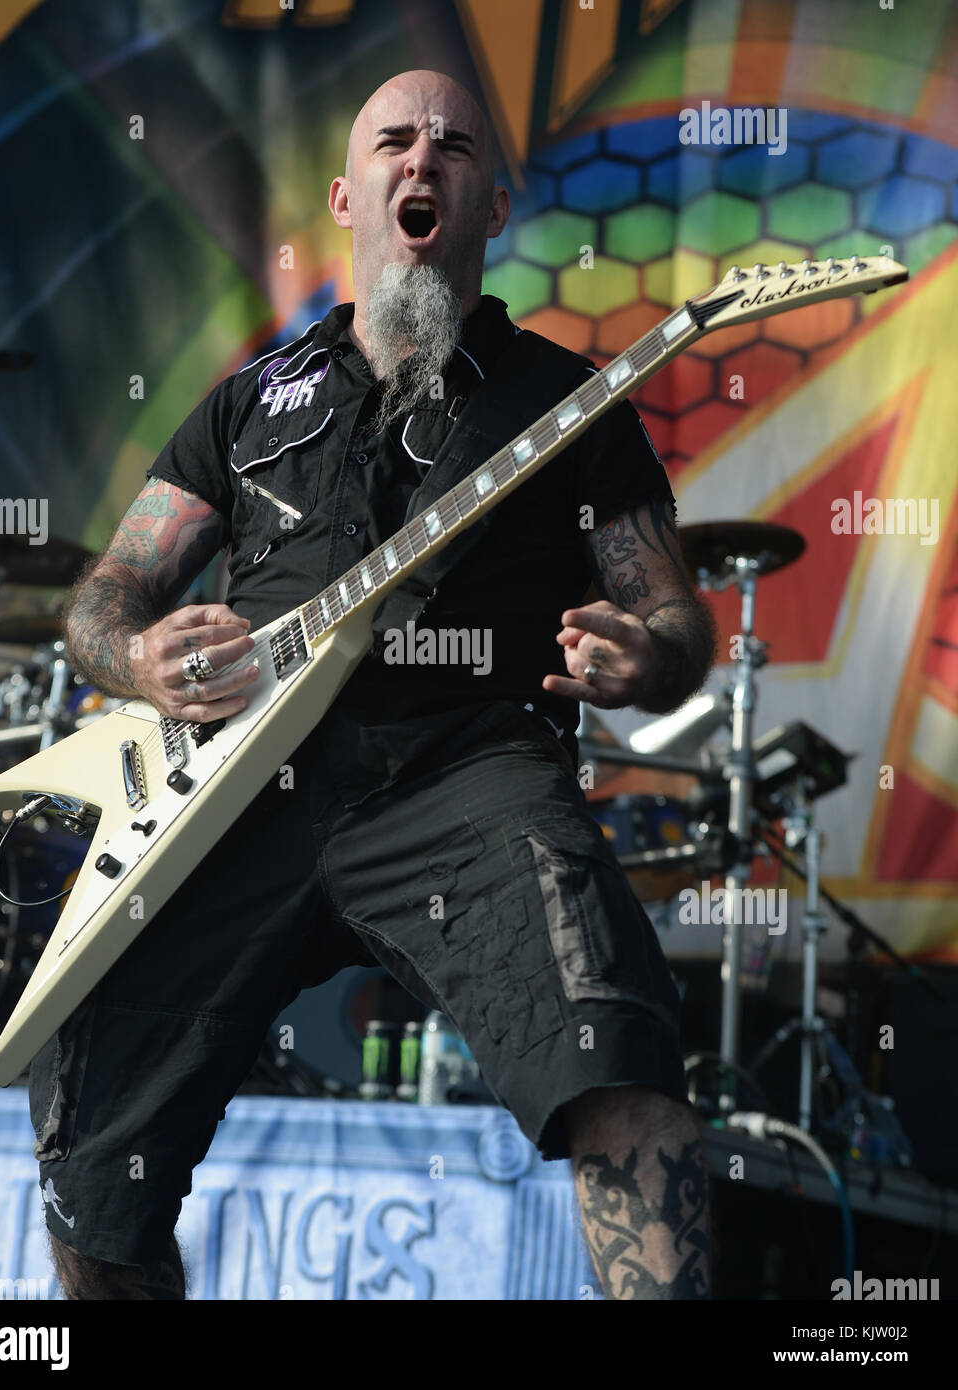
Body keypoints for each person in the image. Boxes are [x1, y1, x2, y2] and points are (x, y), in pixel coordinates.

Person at [36, 69, 716, 1301]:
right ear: (349, 194)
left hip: (467, 774)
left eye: (452, 147)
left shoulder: (566, 402)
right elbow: (102, 598)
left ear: (490, 203)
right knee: (91, 1158)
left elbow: (669, 611)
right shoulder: (251, 402)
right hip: (235, 790)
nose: (423, 160)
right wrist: (137, 658)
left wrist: (647, 653)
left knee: (612, 1047)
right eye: (394, 143)